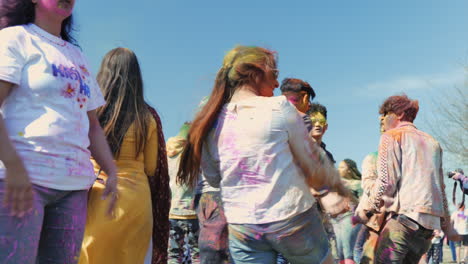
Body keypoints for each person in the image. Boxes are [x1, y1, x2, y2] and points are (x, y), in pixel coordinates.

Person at [177, 45, 351, 264]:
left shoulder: (210, 121)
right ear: (255, 72)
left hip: (243, 227)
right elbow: (312, 159)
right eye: (274, 74)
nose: (278, 84)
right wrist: (334, 193)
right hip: (292, 218)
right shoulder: (279, 106)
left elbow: (213, 178)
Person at [0, 0, 118, 263]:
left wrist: (111, 171)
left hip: (73, 187)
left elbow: (93, 126)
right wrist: (13, 166)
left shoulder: (78, 56)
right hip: (22, 181)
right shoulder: (15, 39)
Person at [79, 48, 170, 264]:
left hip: (95, 195)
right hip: (136, 201)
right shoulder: (147, 116)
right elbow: (150, 167)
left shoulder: (92, 111)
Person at [354, 94, 459, 263]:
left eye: (385, 115)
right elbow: (440, 189)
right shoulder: (433, 143)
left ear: (399, 114)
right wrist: (447, 226)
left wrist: (370, 209)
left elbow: (387, 182)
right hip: (427, 229)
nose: (382, 120)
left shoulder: (392, 136)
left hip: (404, 222)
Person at [167, 122, 200, 263]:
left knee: (173, 255)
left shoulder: (168, 152)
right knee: (197, 254)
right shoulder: (196, 152)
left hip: (173, 211)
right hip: (193, 212)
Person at [330, 159, 362, 264]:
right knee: (338, 252)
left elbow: (363, 203)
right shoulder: (335, 183)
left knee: (348, 250)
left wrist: (350, 197)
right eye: (338, 167)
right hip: (334, 219)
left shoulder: (358, 184)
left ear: (350, 170)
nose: (339, 169)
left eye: (342, 167)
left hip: (349, 217)